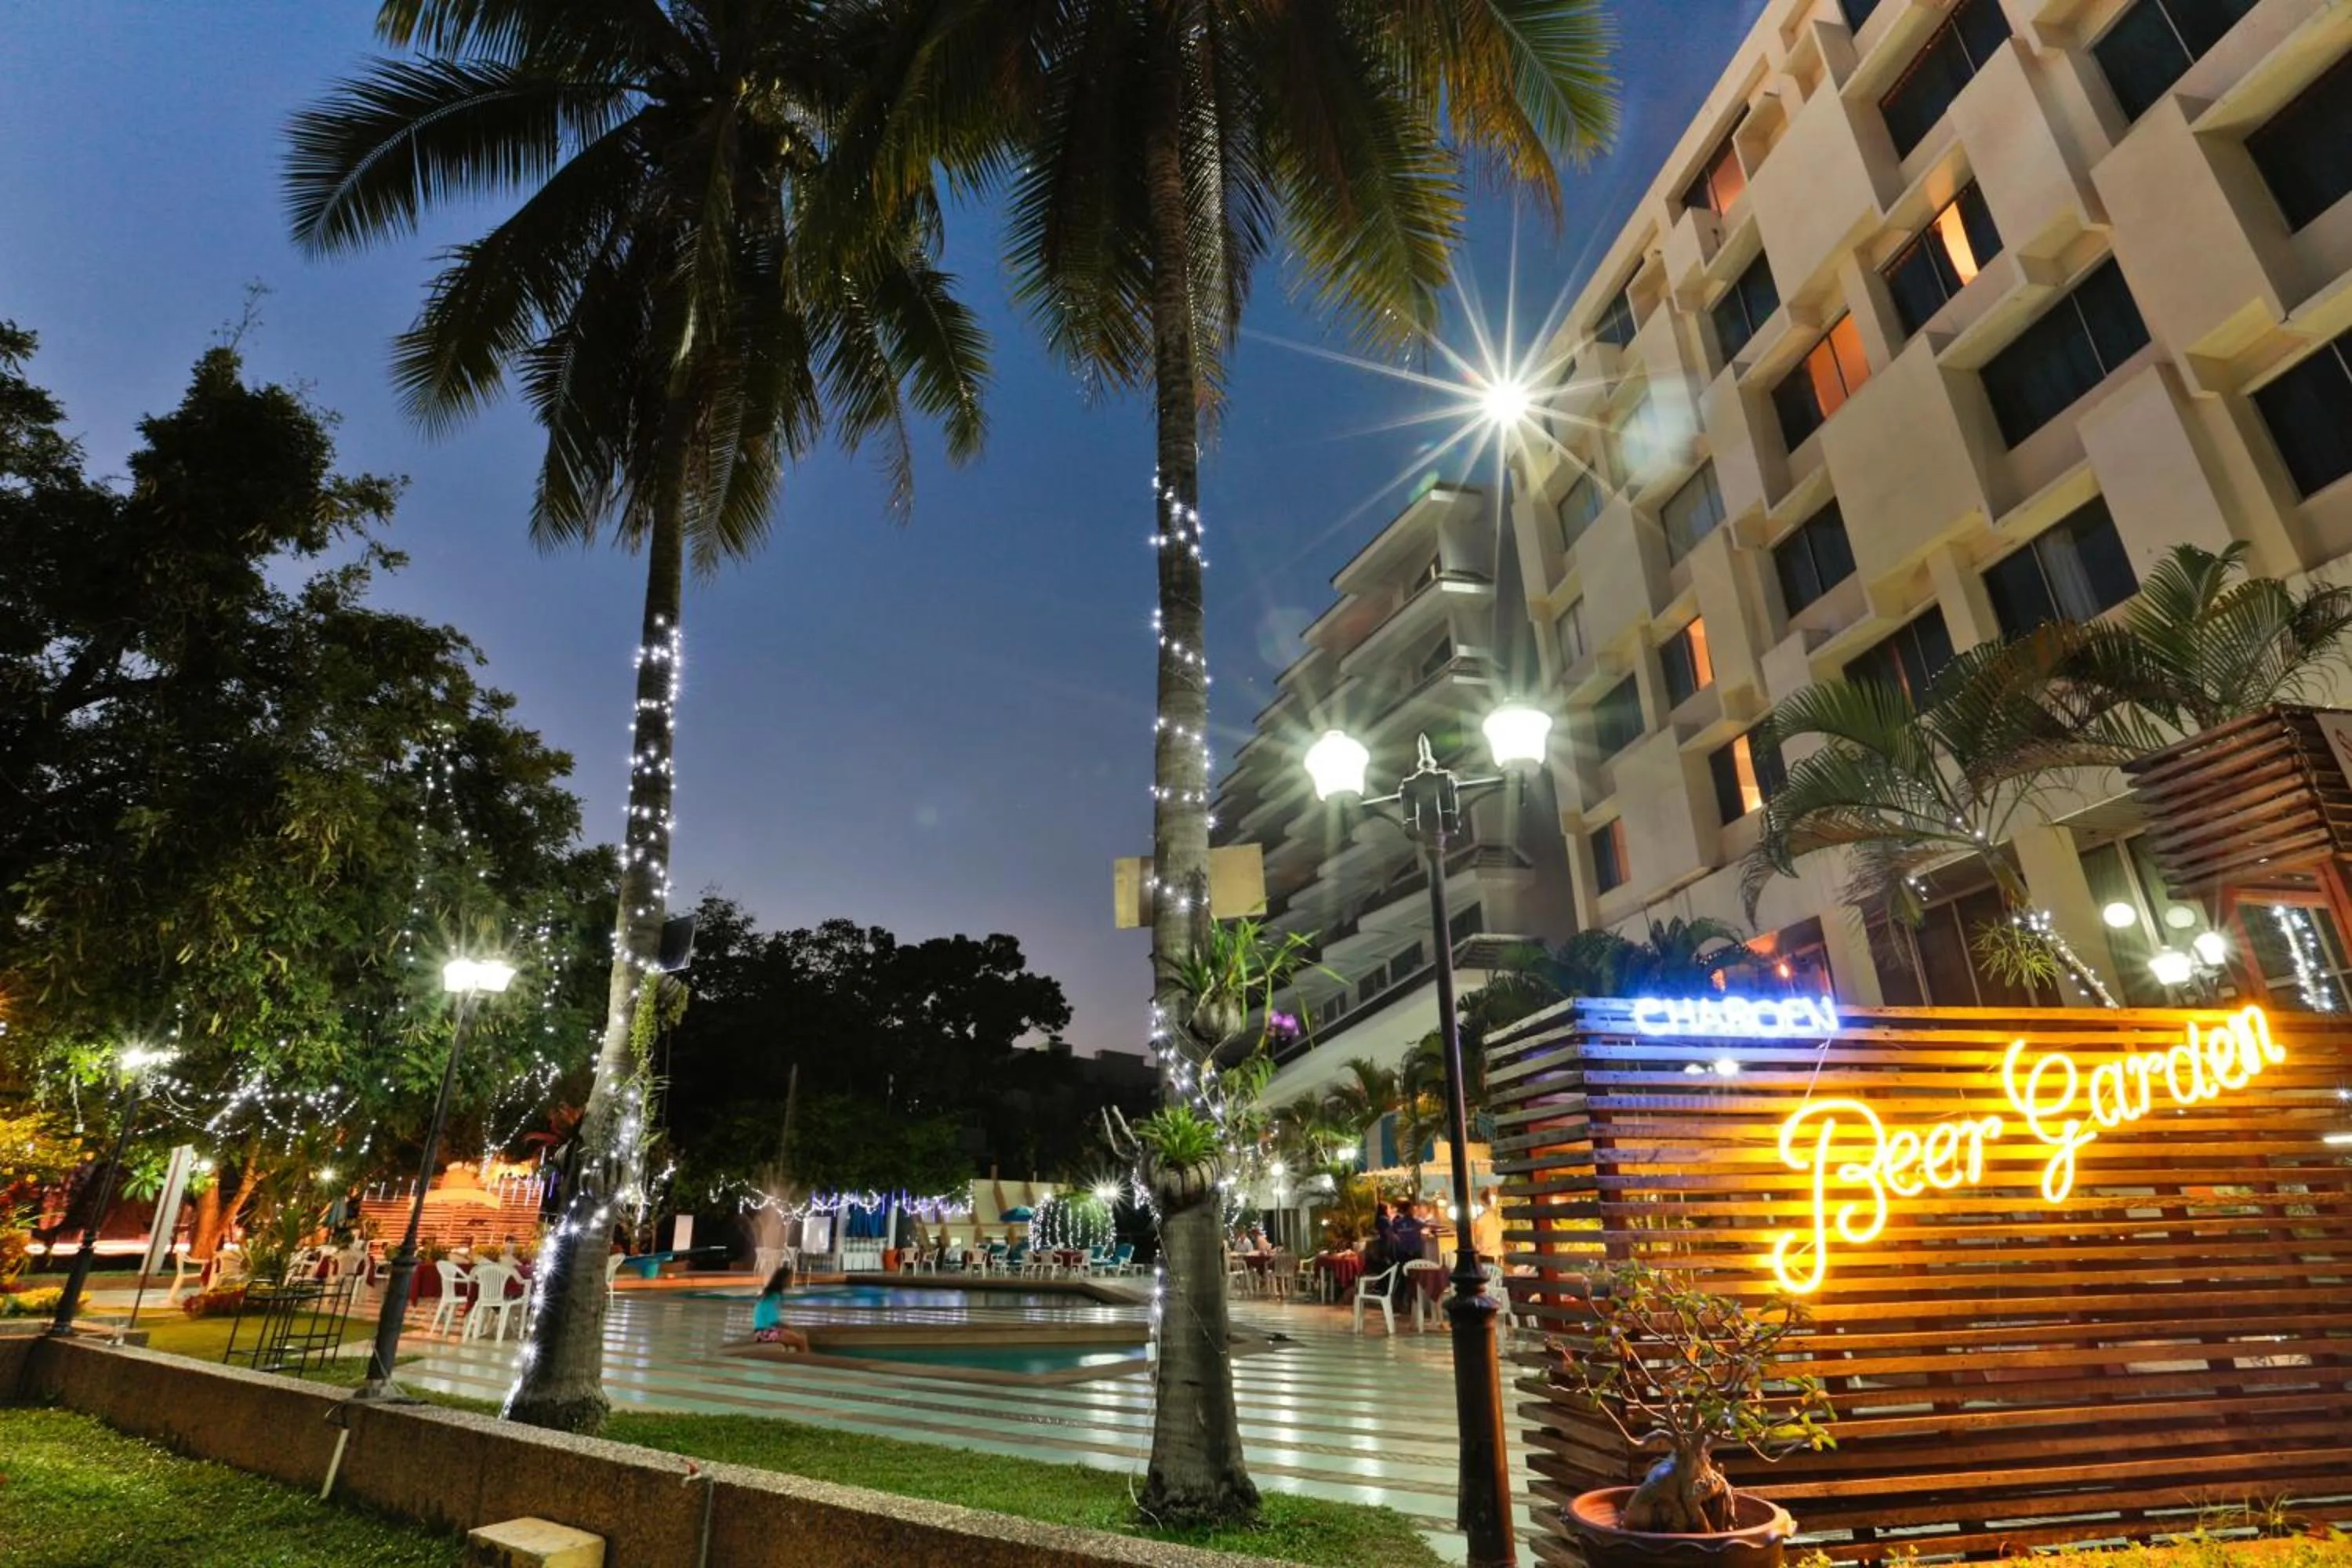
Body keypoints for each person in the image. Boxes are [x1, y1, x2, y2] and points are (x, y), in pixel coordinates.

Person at [750, 1263, 809, 1352]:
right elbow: (773, 1321)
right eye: (790, 1278)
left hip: (762, 1331)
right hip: (765, 1333)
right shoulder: (774, 1297)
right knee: (801, 1341)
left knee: (799, 1337)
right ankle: (805, 1360)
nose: (792, 1281)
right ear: (784, 1280)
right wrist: (787, 1327)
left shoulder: (771, 1294)